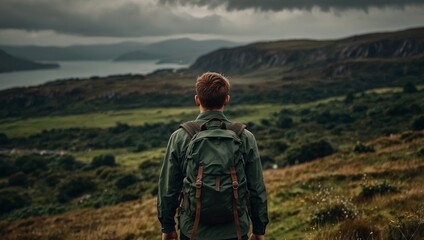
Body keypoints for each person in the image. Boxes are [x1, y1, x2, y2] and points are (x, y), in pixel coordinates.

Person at [158, 72, 269, 240]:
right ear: (226, 100)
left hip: (193, 230)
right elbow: (256, 188)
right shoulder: (244, 137)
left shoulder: (180, 137)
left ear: (197, 100)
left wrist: (167, 227)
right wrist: (259, 230)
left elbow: (168, 189)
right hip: (236, 231)